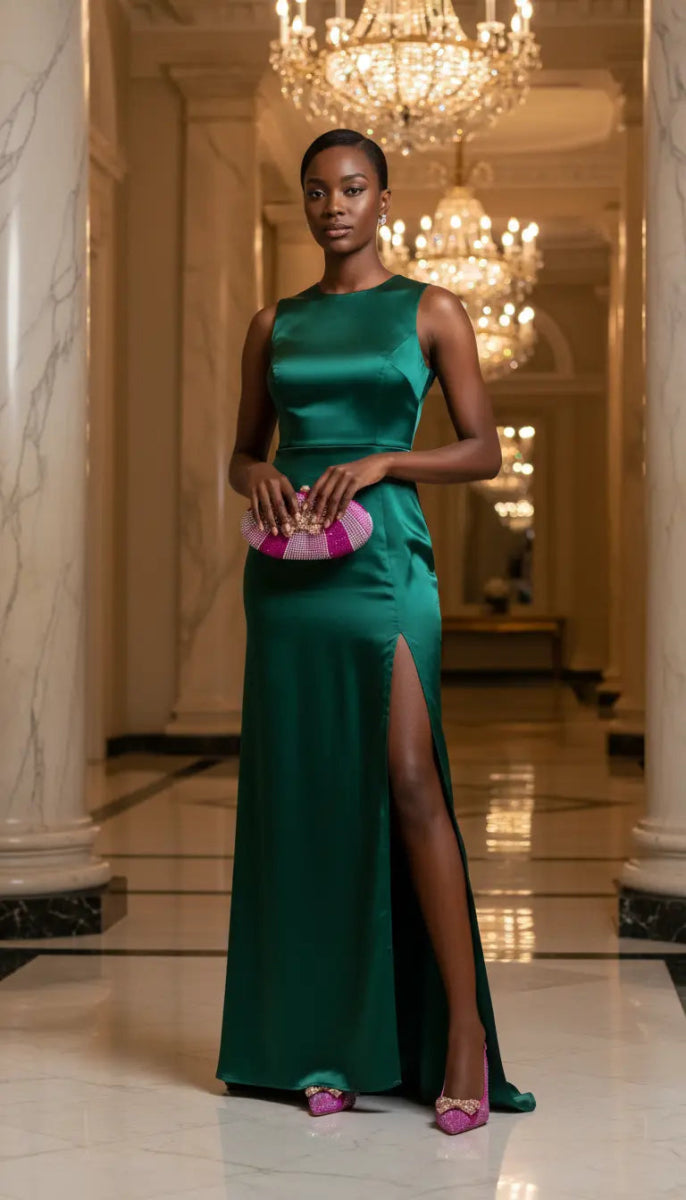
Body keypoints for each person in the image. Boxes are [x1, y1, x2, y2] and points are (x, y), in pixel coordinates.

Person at [216, 128, 535, 1134]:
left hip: (387, 562)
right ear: (301, 205)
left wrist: (391, 462)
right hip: (289, 571)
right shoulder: (274, 324)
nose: (334, 206)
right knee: (310, 795)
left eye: (352, 188)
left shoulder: (431, 310)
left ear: (383, 200)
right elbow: (240, 451)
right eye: (316, 192)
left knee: (408, 776)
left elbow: (480, 450)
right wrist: (258, 472)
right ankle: (321, 1043)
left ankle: (462, 1040)